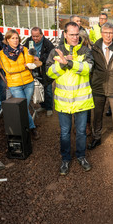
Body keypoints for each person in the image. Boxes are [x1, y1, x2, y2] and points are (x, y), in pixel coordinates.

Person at [46, 22, 94, 175]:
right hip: (63, 101)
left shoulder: (86, 50)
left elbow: (88, 68)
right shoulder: (56, 51)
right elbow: (48, 73)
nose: (75, 37)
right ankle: (65, 159)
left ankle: (81, 156)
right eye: (71, 34)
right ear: (65, 34)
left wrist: (69, 63)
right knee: (65, 132)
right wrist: (60, 65)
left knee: (81, 132)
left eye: (77, 34)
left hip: (81, 101)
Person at [88, 22, 113, 153]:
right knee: (97, 114)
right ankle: (96, 137)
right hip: (98, 86)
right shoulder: (94, 49)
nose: (108, 36)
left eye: (111, 33)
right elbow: (91, 68)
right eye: (106, 33)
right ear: (101, 33)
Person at [0, 29, 39, 140]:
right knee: (23, 108)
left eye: (17, 38)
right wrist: (24, 66)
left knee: (24, 107)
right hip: (14, 84)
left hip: (28, 82)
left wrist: (31, 53)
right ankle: (31, 128)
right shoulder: (2, 53)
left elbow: (30, 62)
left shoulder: (24, 49)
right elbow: (9, 69)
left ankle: (23, 129)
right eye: (13, 38)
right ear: (7, 39)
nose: (15, 40)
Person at [24, 27, 54, 116]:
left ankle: (49, 108)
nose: (35, 38)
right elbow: (24, 51)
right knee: (38, 87)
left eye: (37, 36)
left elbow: (51, 54)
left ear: (41, 35)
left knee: (47, 89)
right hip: (34, 68)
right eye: (33, 36)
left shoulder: (47, 43)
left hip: (45, 69)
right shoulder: (29, 41)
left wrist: (40, 58)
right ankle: (43, 105)